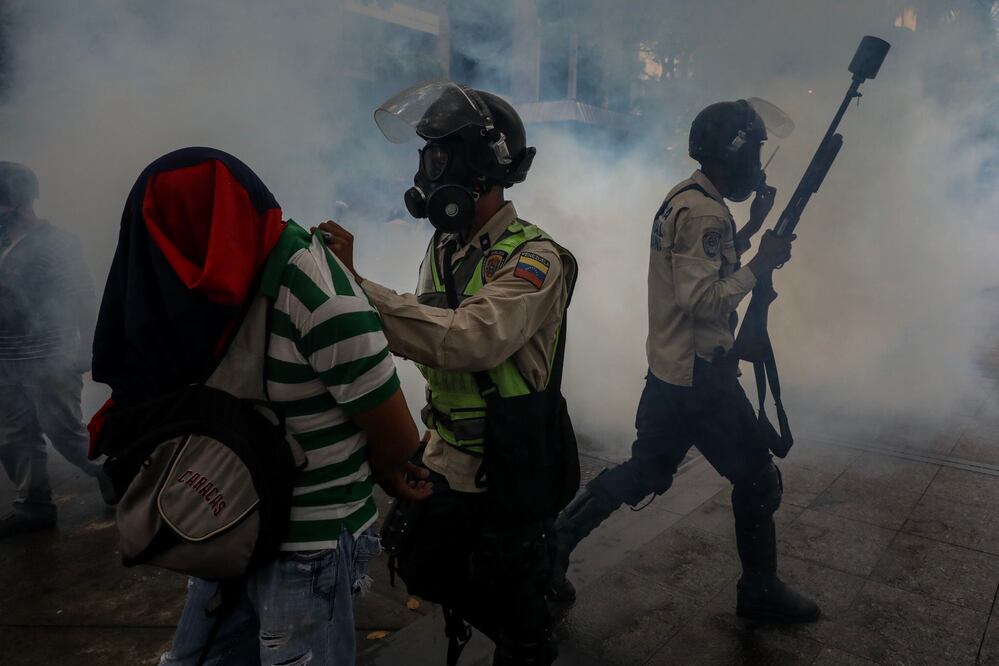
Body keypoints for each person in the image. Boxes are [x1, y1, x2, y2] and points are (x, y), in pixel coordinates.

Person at [88, 147, 426, 665]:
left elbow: (398, 439)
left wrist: (387, 474)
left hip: (307, 545)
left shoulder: (318, 296)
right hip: (225, 522)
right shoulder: (188, 299)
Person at [320, 82, 578, 665]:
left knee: (520, 624)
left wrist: (357, 290)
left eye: (438, 158)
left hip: (508, 468)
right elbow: (426, 327)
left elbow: (465, 339)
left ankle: (533, 617)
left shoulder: (536, 257)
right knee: (423, 565)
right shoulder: (444, 246)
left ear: (480, 168)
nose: (426, 174)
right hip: (446, 456)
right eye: (425, 157)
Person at [550, 99, 821, 623]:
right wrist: (760, 263)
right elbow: (703, 298)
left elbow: (703, 267)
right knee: (758, 479)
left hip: (670, 373)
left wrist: (750, 230)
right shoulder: (705, 213)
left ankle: (558, 541)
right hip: (701, 380)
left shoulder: (686, 198)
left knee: (646, 471)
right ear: (732, 153)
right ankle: (759, 590)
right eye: (754, 151)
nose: (758, 164)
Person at [0, 161, 114, 538]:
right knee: (14, 437)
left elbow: (82, 296)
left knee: (64, 432)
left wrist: (86, 349)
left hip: (50, 357)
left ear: (16, 202)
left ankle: (112, 471)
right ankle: (34, 507)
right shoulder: (2, 243)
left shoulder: (57, 242)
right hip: (5, 360)